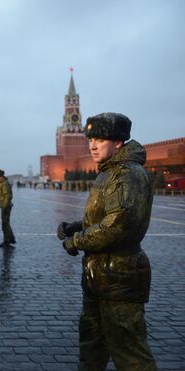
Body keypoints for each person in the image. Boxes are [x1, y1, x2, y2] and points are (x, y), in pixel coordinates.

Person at [57, 112, 158, 371]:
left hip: (120, 276)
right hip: (99, 275)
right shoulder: (109, 171)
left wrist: (77, 241)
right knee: (92, 345)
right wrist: (75, 227)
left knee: (130, 354)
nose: (92, 145)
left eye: (100, 139)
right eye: (90, 138)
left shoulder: (128, 175)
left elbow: (119, 225)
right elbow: (106, 215)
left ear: (118, 142)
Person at [0, 169, 16, 248]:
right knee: (6, 223)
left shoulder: (4, 184)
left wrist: (4, 206)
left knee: (5, 224)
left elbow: (8, 196)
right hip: (5, 206)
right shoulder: (3, 183)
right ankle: (11, 239)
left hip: (6, 207)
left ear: (0, 177)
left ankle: (7, 241)